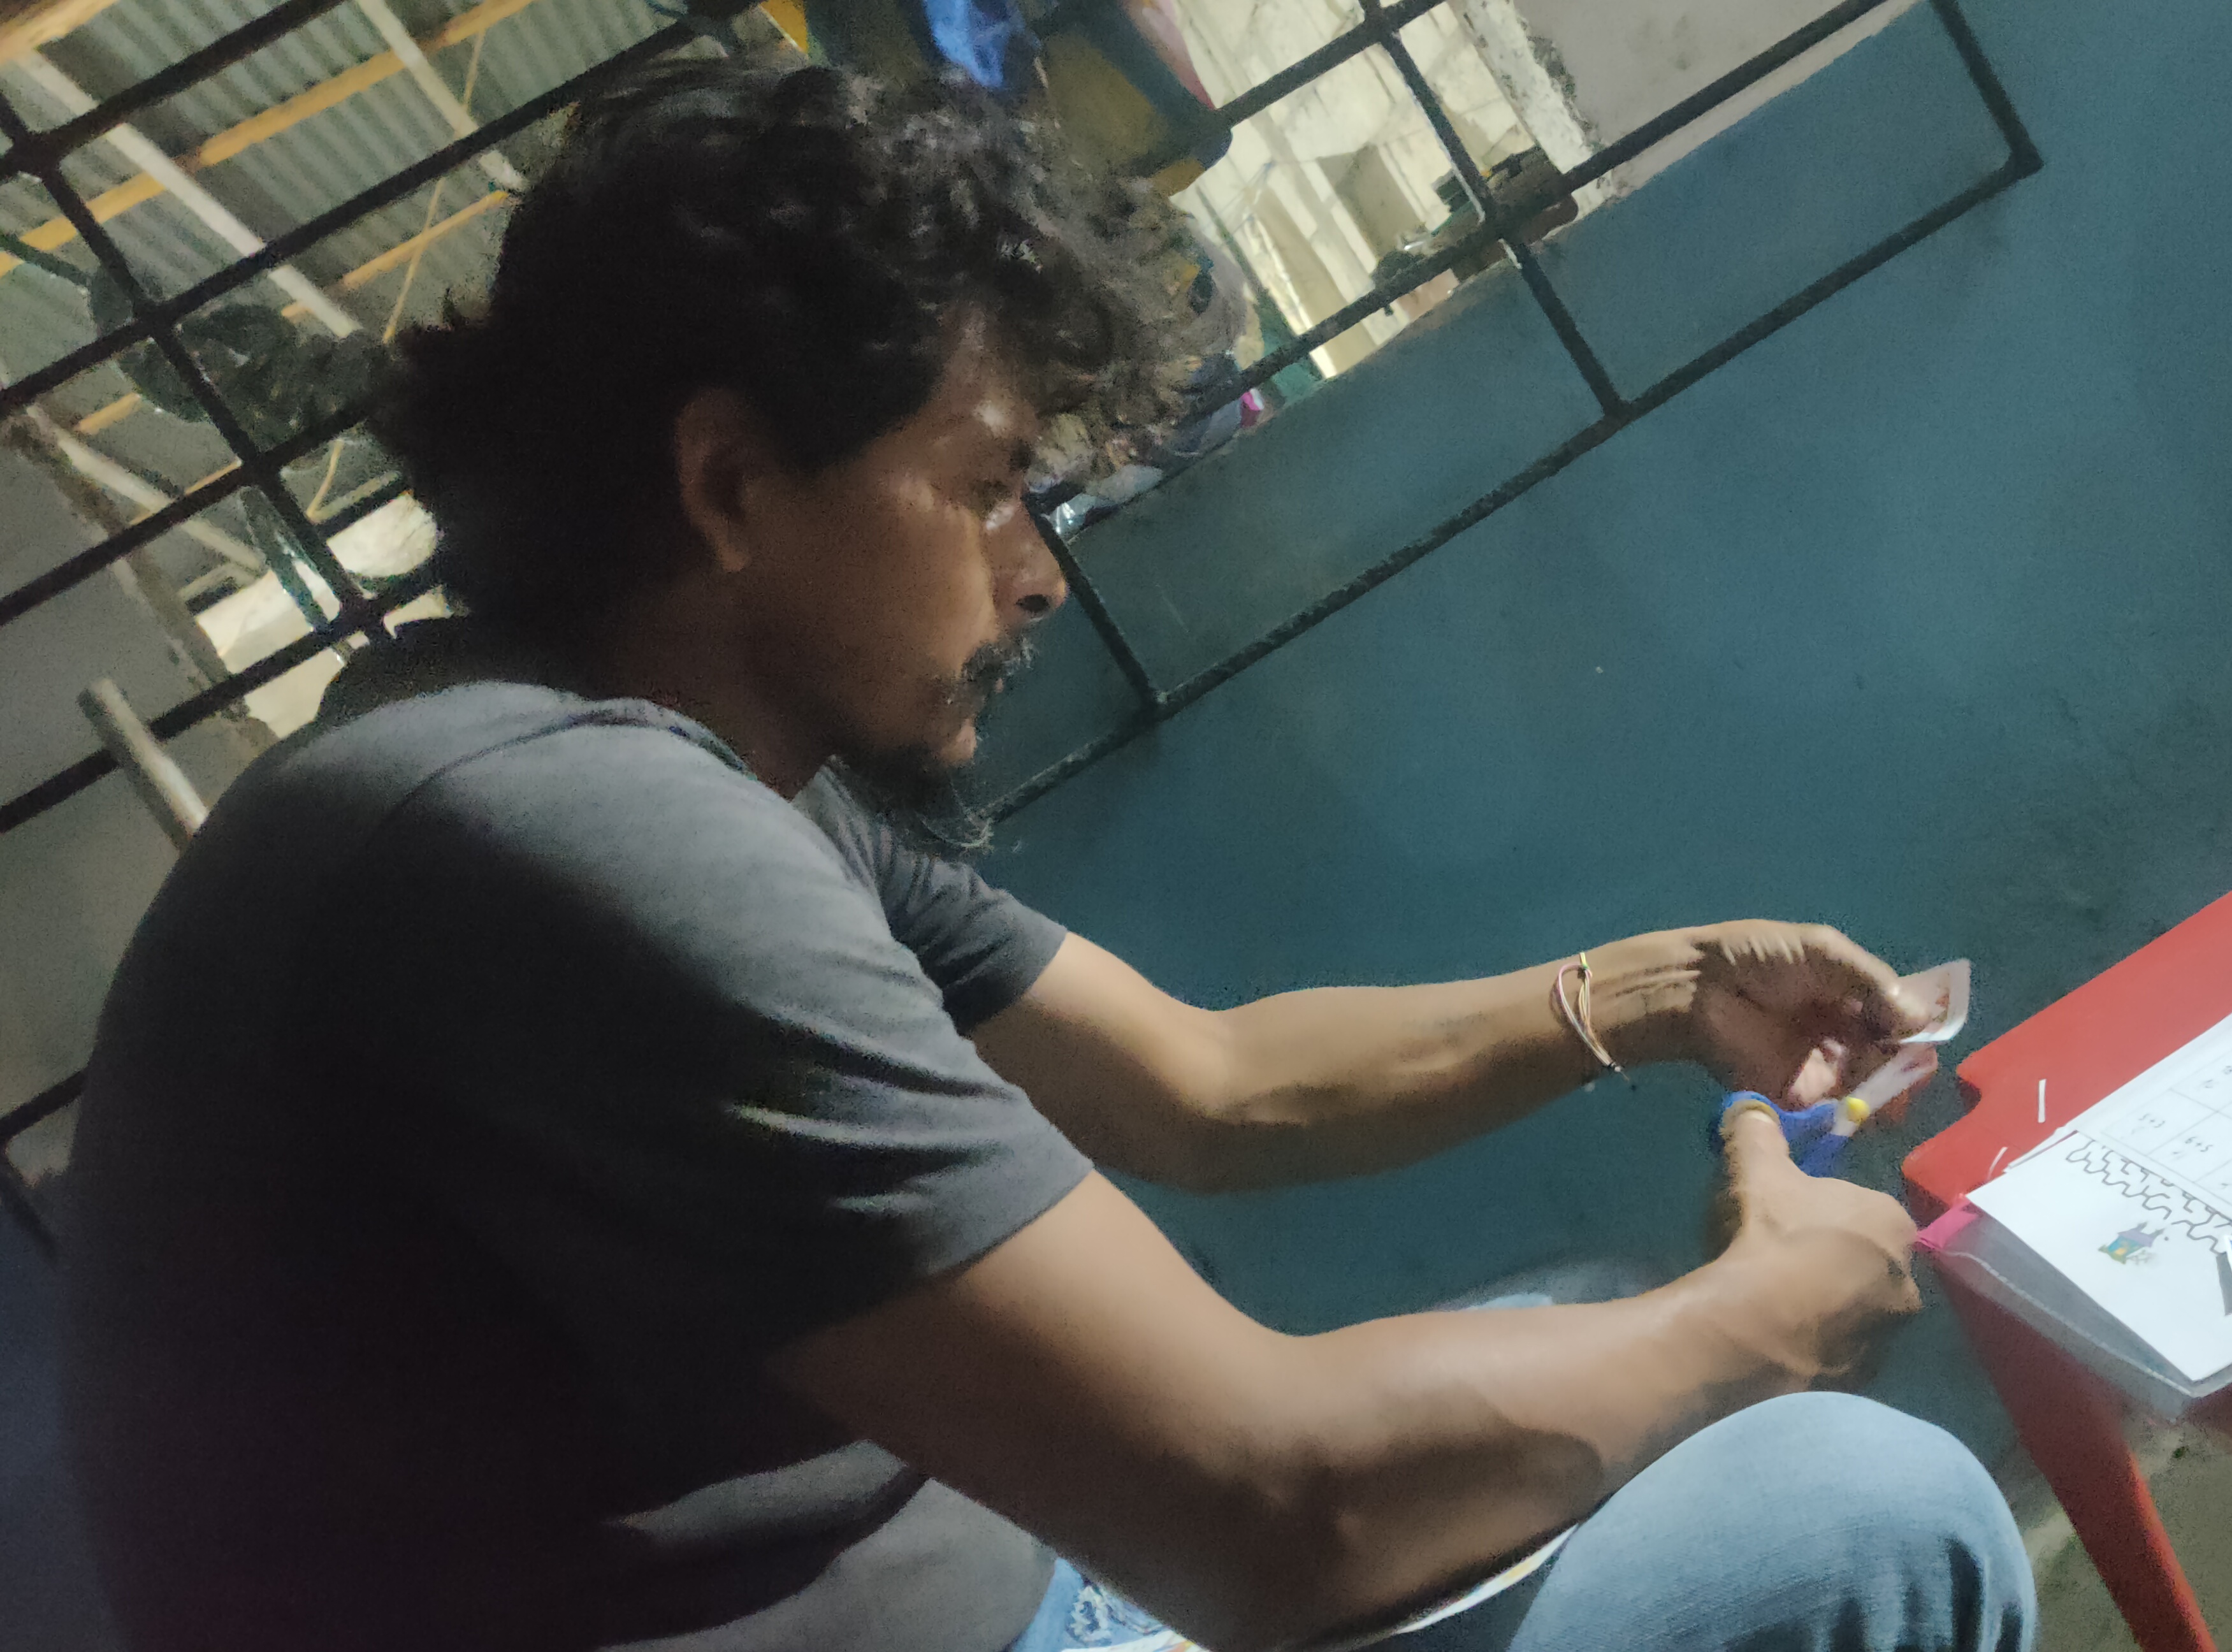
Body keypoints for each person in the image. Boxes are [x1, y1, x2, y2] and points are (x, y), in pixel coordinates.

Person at [58, 58, 2035, 1652]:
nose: (1036, 574)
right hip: (1074, 1605)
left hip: (1031, 1596)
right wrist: (1770, 1318)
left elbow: (1209, 1086)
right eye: (990, 484)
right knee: (1861, 1514)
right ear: (730, 482)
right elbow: (1277, 1512)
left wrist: (1662, 993)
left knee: (1576, 1333)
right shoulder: (562, 843)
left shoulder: (632, 761)